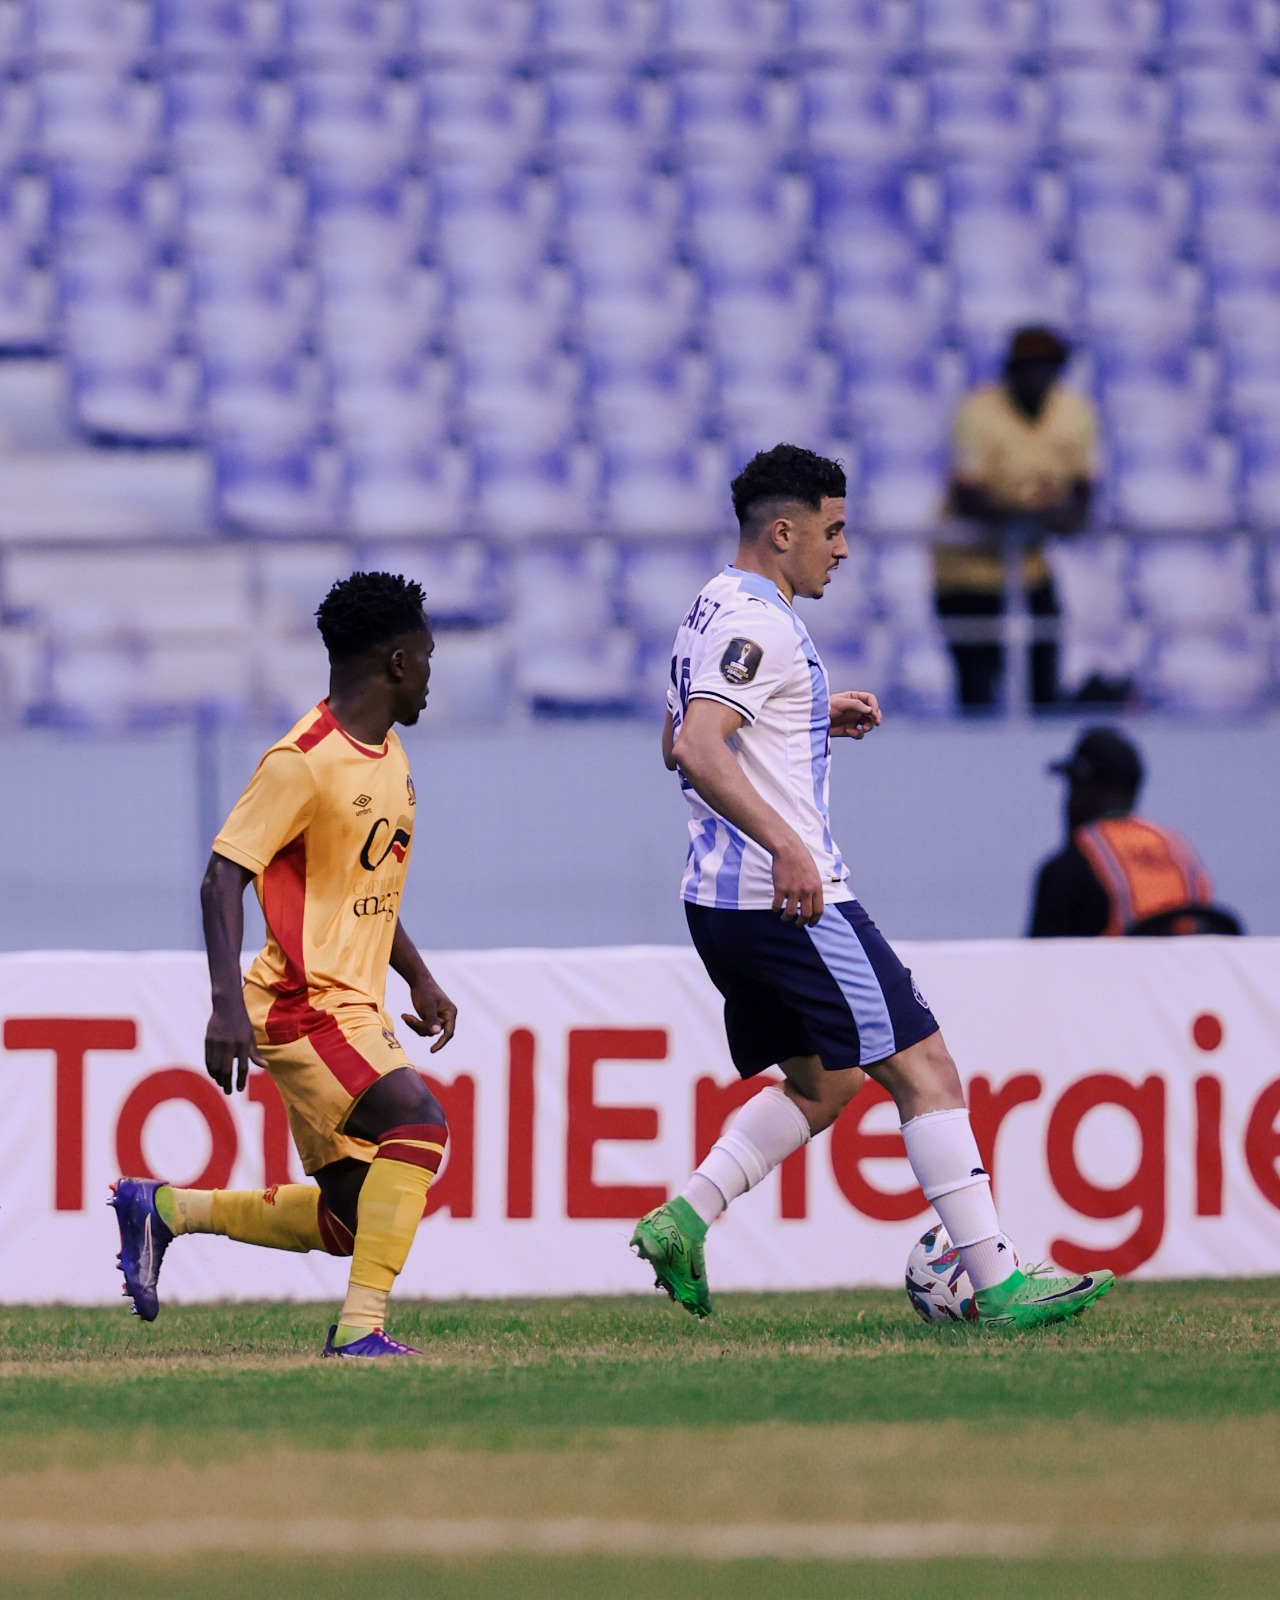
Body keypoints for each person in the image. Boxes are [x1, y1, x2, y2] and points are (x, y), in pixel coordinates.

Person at [631, 443, 1114, 1329]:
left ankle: (682, 1218)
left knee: (830, 1082)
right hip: (785, 897)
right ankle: (998, 1284)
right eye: (833, 529)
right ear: (785, 531)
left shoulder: (711, 603)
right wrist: (785, 844)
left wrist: (811, 716)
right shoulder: (762, 622)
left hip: (717, 902)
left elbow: (678, 739)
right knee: (927, 1068)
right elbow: (700, 750)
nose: (842, 549)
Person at [111, 571, 458, 1359]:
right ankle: (361, 1331)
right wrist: (224, 1005)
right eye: (429, 657)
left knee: (347, 1217)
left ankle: (164, 1209)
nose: (434, 674)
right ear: (398, 661)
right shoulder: (301, 761)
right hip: (305, 1003)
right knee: (419, 1124)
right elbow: (222, 875)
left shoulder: (390, 756)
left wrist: (418, 975)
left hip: (353, 1004)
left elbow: (364, 884)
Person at [937, 325, 1100, 710]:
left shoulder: (1073, 411)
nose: (1038, 377)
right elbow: (968, 497)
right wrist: (1036, 517)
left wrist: (1067, 515)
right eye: (1030, 367)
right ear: (1011, 370)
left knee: (1044, 676)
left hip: (1028, 567)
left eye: (1047, 367)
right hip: (966, 571)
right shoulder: (978, 412)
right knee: (977, 688)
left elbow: (1084, 488)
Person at [1028, 725, 1232, 937]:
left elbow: (1038, 965)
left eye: (1072, 788)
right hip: (1188, 969)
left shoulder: (1065, 869)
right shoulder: (1180, 854)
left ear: (1087, 792)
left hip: (1114, 971)